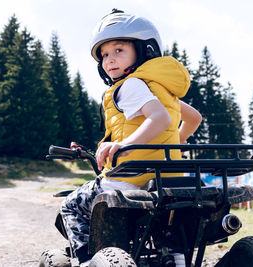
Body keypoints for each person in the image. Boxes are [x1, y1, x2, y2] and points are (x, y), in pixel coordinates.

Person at [60, 9, 202, 266]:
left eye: (118, 50)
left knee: (70, 205)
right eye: (104, 55)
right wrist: (176, 146)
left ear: (144, 51)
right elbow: (194, 119)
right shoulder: (162, 90)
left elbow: (159, 119)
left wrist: (124, 144)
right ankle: (176, 259)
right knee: (167, 227)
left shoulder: (130, 85)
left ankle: (84, 260)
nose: (109, 60)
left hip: (130, 179)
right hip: (168, 178)